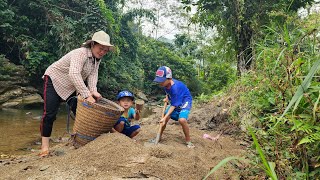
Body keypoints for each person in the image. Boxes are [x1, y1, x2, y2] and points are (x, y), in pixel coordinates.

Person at [39, 30, 114, 157]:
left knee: (79, 110)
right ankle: (44, 147)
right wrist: (87, 95)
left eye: (105, 50)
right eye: (101, 48)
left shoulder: (96, 60)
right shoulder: (81, 53)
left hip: (70, 85)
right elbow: (74, 73)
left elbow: (93, 75)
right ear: (93, 44)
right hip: (53, 79)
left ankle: (80, 138)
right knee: (50, 114)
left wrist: (93, 91)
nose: (102, 52)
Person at [153, 66, 195, 148]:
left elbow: (174, 105)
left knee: (182, 120)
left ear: (169, 78)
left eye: (162, 81)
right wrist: (167, 98)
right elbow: (169, 94)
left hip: (184, 101)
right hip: (176, 100)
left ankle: (188, 140)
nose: (160, 83)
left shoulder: (175, 88)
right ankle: (158, 137)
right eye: (159, 81)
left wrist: (164, 118)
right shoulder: (165, 85)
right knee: (165, 117)